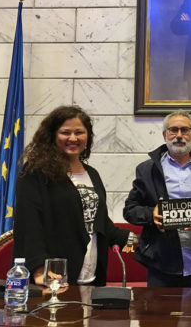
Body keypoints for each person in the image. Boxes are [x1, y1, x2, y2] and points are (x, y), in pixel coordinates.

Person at [13, 105, 136, 286]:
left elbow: (97, 218)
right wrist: (39, 268)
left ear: (88, 136)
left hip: (92, 273)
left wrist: (134, 238)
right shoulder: (35, 172)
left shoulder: (92, 173)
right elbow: (29, 222)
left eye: (79, 132)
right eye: (65, 132)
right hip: (54, 275)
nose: (73, 138)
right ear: (53, 135)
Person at [123, 110, 191, 287]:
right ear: (165, 134)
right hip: (160, 263)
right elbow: (130, 210)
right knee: (159, 316)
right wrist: (152, 214)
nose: (179, 135)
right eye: (173, 130)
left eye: (185, 130)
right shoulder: (147, 170)